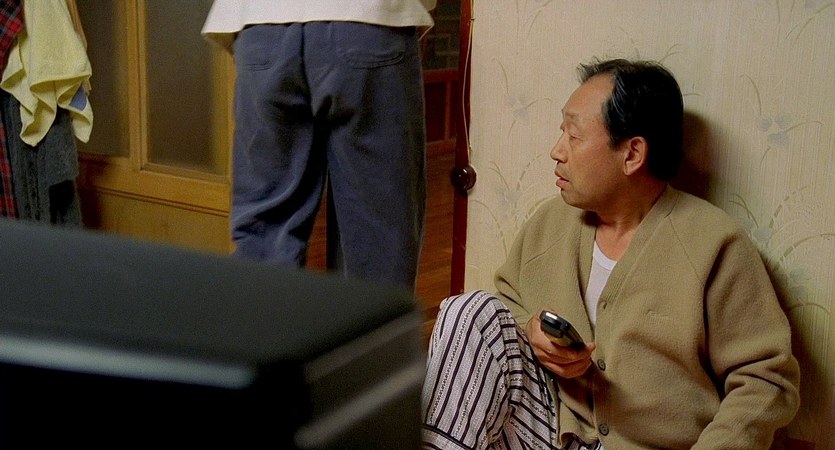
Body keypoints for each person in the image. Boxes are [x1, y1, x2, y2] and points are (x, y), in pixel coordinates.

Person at [421, 58, 801, 449]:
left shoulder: (714, 243)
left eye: (574, 136)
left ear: (632, 154)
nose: (556, 151)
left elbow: (765, 380)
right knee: (468, 311)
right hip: (552, 430)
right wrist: (530, 328)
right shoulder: (551, 222)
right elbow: (507, 304)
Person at [201, 1, 436, 289]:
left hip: (259, 24)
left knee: (264, 239)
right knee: (377, 236)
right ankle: (369, 320)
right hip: (369, 19)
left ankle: (262, 318)